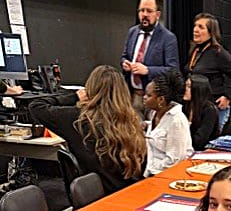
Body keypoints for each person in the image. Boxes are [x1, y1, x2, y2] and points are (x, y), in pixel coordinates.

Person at [29, 65, 146, 194]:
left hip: (93, 198)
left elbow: (37, 106)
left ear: (89, 89)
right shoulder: (132, 121)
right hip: (130, 194)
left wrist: (74, 97)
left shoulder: (77, 119)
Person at [121, 0, 179, 115]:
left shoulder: (168, 38)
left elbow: (173, 70)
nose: (145, 14)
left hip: (155, 100)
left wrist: (148, 70)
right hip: (133, 95)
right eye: (142, 10)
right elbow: (124, 56)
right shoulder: (132, 32)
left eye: (149, 11)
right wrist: (124, 63)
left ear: (157, 15)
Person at [186, 13, 231, 131]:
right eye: (195, 26)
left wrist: (227, 96)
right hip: (197, 107)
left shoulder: (218, 52)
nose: (195, 30)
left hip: (214, 108)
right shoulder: (195, 50)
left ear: (211, 32)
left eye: (201, 27)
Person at [143, 68, 193, 176]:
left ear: (161, 100)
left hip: (167, 175)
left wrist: (151, 170)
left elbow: (174, 160)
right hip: (150, 172)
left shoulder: (177, 120)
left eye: (148, 95)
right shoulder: (153, 113)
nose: (144, 97)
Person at [183, 74, 220, 150]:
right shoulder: (184, 106)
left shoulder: (209, 110)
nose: (185, 89)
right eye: (185, 85)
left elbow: (200, 139)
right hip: (186, 148)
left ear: (198, 89)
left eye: (189, 87)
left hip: (204, 151)